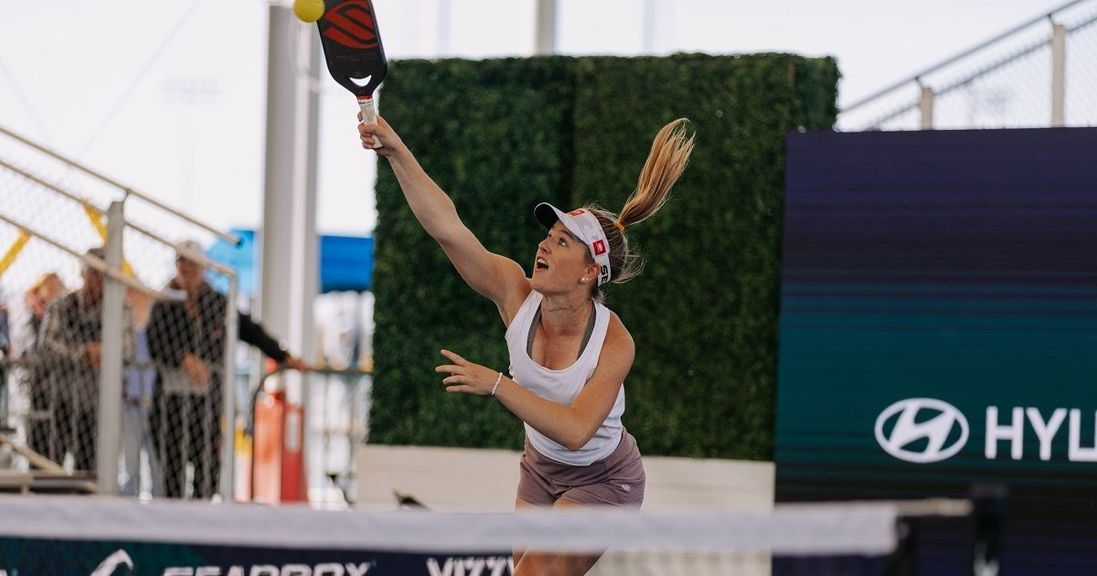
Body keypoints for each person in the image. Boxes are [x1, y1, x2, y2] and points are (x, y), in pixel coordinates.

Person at [359, 115, 694, 575]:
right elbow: (448, 229)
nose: (544, 245)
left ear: (589, 272)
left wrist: (497, 383)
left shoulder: (614, 341)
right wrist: (395, 149)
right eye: (548, 236)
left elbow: (576, 431)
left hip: (605, 479)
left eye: (561, 242)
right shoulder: (515, 294)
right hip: (539, 468)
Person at [147, 240, 309, 499]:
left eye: (193, 263)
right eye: (183, 262)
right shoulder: (164, 301)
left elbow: (251, 331)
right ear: (177, 264)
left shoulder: (216, 302)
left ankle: (200, 523)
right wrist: (183, 358)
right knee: (171, 471)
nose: (188, 268)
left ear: (203, 266)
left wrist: (284, 356)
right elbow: (155, 342)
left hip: (208, 400)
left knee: (208, 468)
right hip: (170, 401)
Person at [36, 249, 134, 472]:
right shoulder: (61, 305)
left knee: (90, 471)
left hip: (99, 404)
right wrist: (83, 353)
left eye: (103, 274)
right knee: (47, 468)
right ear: (82, 273)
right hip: (59, 398)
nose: (98, 280)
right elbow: (46, 345)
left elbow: (128, 349)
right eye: (93, 273)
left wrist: (105, 352)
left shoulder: (122, 308)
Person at [120, 288, 159, 497]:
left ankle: (158, 498)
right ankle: (130, 498)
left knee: (155, 459)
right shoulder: (126, 333)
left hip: (152, 403)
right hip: (131, 402)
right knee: (131, 460)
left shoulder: (155, 332)